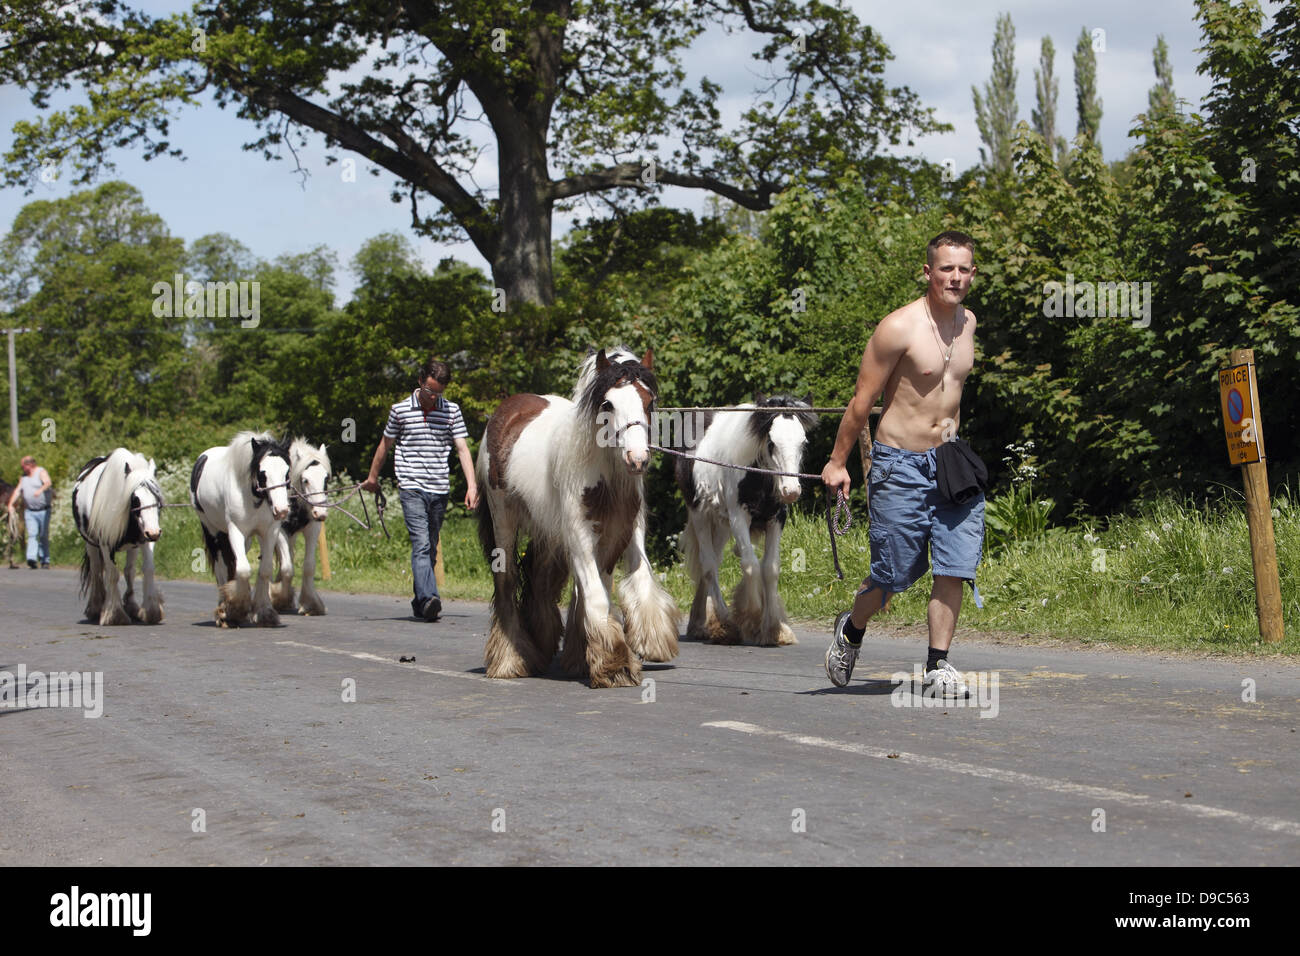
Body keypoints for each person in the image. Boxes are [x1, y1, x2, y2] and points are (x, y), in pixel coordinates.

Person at [820, 231, 985, 695]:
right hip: (899, 465)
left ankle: (937, 664)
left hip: (952, 462)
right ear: (928, 272)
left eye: (964, 269)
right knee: (895, 574)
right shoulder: (897, 328)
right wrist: (838, 463)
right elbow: (860, 403)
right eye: (946, 268)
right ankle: (852, 629)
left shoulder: (968, 323)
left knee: (956, 563)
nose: (955, 277)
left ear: (973, 274)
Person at [361, 358, 478, 622]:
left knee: (431, 546)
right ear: (419, 382)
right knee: (422, 544)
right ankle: (429, 598)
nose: (434, 397)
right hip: (411, 486)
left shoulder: (452, 411)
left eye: (439, 393)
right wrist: (372, 477)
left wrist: (472, 486)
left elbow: (462, 449)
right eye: (430, 391)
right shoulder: (400, 410)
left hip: (439, 487)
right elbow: (385, 444)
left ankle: (420, 602)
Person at [8, 455, 52, 569]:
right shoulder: (23, 478)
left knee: (43, 535)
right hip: (30, 511)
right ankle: (31, 558)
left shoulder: (41, 472)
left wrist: (40, 490)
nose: (22, 468)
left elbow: (48, 483)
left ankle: (45, 559)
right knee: (32, 534)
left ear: (29, 465)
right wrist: (11, 504)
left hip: (43, 510)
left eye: (23, 466)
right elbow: (18, 491)